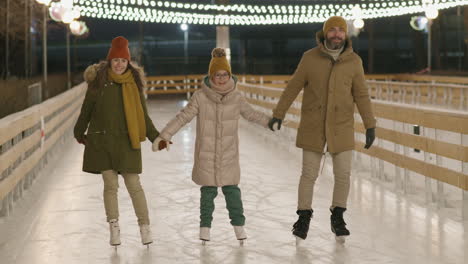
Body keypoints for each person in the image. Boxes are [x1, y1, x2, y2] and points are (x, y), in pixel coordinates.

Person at [268, 16, 376, 242]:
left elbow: (362, 95)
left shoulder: (354, 62)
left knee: (343, 175)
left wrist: (370, 125)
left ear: (345, 34)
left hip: (342, 126)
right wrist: (279, 113)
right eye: (332, 30)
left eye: (341, 30)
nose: (336, 34)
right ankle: (303, 216)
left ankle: (338, 216)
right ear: (325, 33)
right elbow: (293, 88)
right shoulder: (310, 58)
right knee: (308, 175)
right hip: (313, 125)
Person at [153, 48, 270, 245]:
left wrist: (271, 121)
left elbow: (252, 114)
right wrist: (165, 135)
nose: (222, 78)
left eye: (225, 74)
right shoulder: (200, 97)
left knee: (232, 192)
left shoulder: (237, 97)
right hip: (206, 154)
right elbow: (183, 116)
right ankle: (205, 228)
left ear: (229, 75)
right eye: (218, 75)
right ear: (211, 76)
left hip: (228, 155)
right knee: (208, 193)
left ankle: (239, 227)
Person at [74, 36, 165, 247]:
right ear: (109, 61)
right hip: (102, 141)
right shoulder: (97, 83)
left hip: (126, 141)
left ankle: (145, 227)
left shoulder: (134, 84)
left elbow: (143, 115)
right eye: (115, 60)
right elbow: (86, 110)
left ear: (128, 62)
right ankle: (114, 228)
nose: (119, 64)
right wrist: (79, 132)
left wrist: (156, 137)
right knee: (110, 185)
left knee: (134, 185)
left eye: (123, 61)